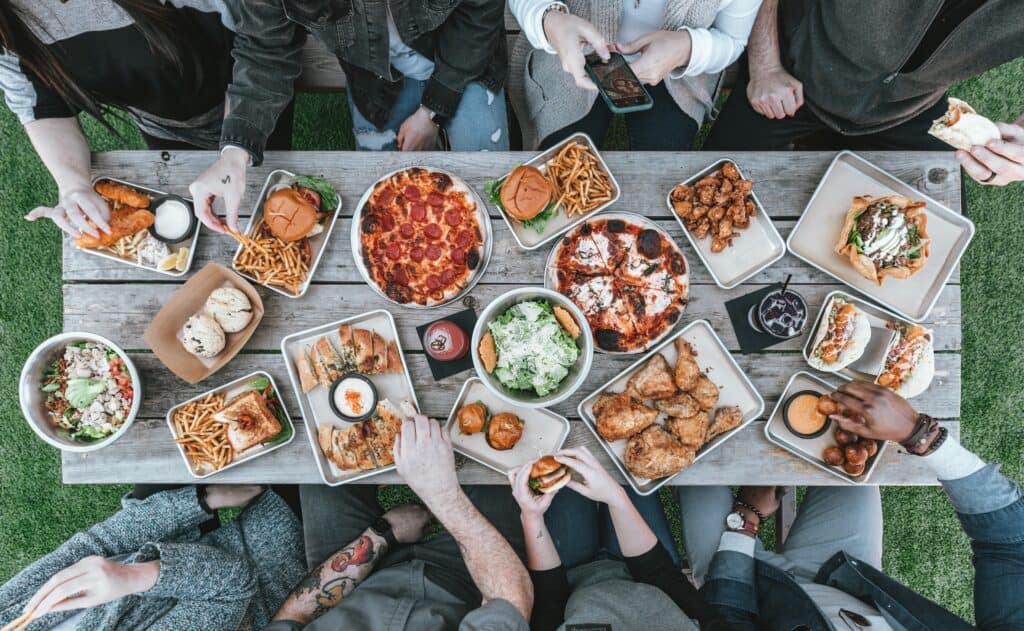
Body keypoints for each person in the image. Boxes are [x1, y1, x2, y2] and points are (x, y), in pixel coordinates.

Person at [677, 381, 1024, 629]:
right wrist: (917, 434)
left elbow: (728, 618)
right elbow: (1009, 546)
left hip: (747, 589)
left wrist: (746, 519)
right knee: (848, 450)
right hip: (843, 577)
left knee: (687, 462)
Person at [191, 0, 510, 234]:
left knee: (492, 195)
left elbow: (480, 13)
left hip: (464, 63)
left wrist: (432, 113)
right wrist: (234, 154)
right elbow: (265, 48)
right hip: (377, 81)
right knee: (384, 212)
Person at [1, 0, 301, 239]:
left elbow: (265, 44)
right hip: (160, 121)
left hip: (248, 96)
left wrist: (237, 148)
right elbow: (41, 104)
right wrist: (73, 184)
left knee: (266, 198)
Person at [703, 0, 1024, 187]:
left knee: (928, 239)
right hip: (796, 67)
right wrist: (765, 63)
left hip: (910, 105)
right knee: (711, 187)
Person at [267, 414, 532, 630]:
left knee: (323, 453)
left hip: (350, 583)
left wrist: (383, 534)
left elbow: (294, 617)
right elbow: (511, 601)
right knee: (504, 462)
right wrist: (441, 494)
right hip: (466, 584)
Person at [0, 485, 305, 630]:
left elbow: (98, 542)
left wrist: (201, 500)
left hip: (183, 532)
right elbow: (233, 584)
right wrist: (129, 577)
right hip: (272, 552)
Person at [509, 446, 727, 630]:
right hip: (647, 571)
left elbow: (549, 600)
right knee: (628, 455)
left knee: (551, 450)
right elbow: (662, 576)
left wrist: (532, 517)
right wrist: (616, 498)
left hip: (569, 574)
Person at [507, 0, 761, 151]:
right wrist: (551, 22)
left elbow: (732, 39)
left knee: (660, 177)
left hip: (677, 75)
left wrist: (687, 48)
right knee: (560, 174)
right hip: (570, 55)